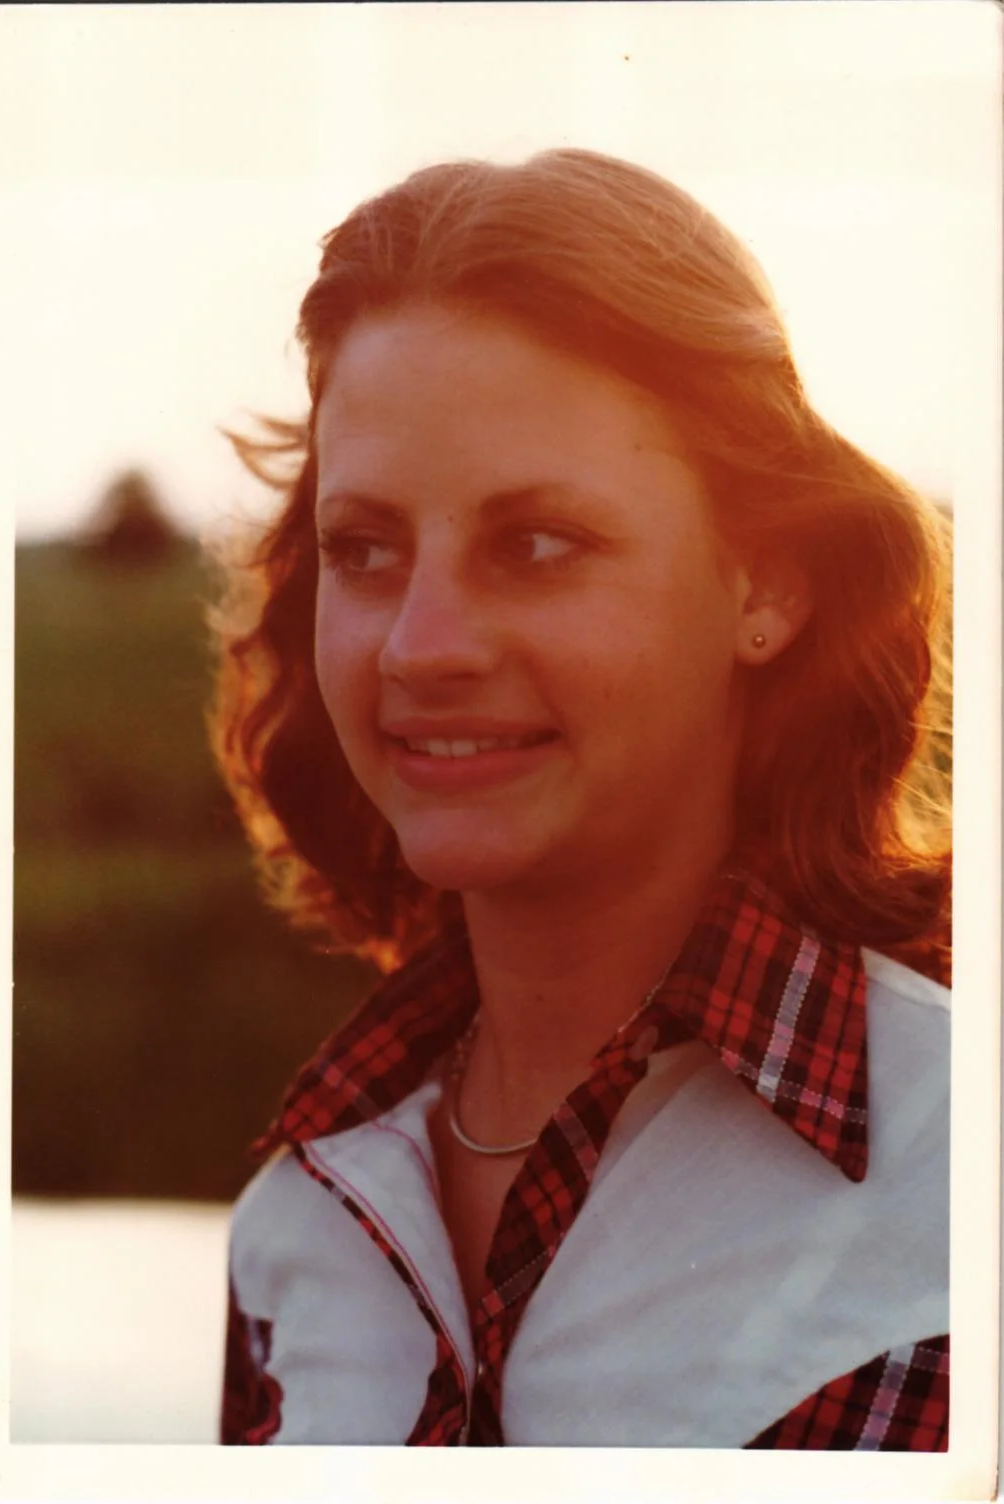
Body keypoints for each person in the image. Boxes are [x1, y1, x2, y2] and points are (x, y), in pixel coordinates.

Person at [210, 149, 951, 1448]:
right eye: (365, 549)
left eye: (537, 544)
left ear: (767, 583)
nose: (421, 647)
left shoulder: (958, 1170)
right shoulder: (300, 1217)